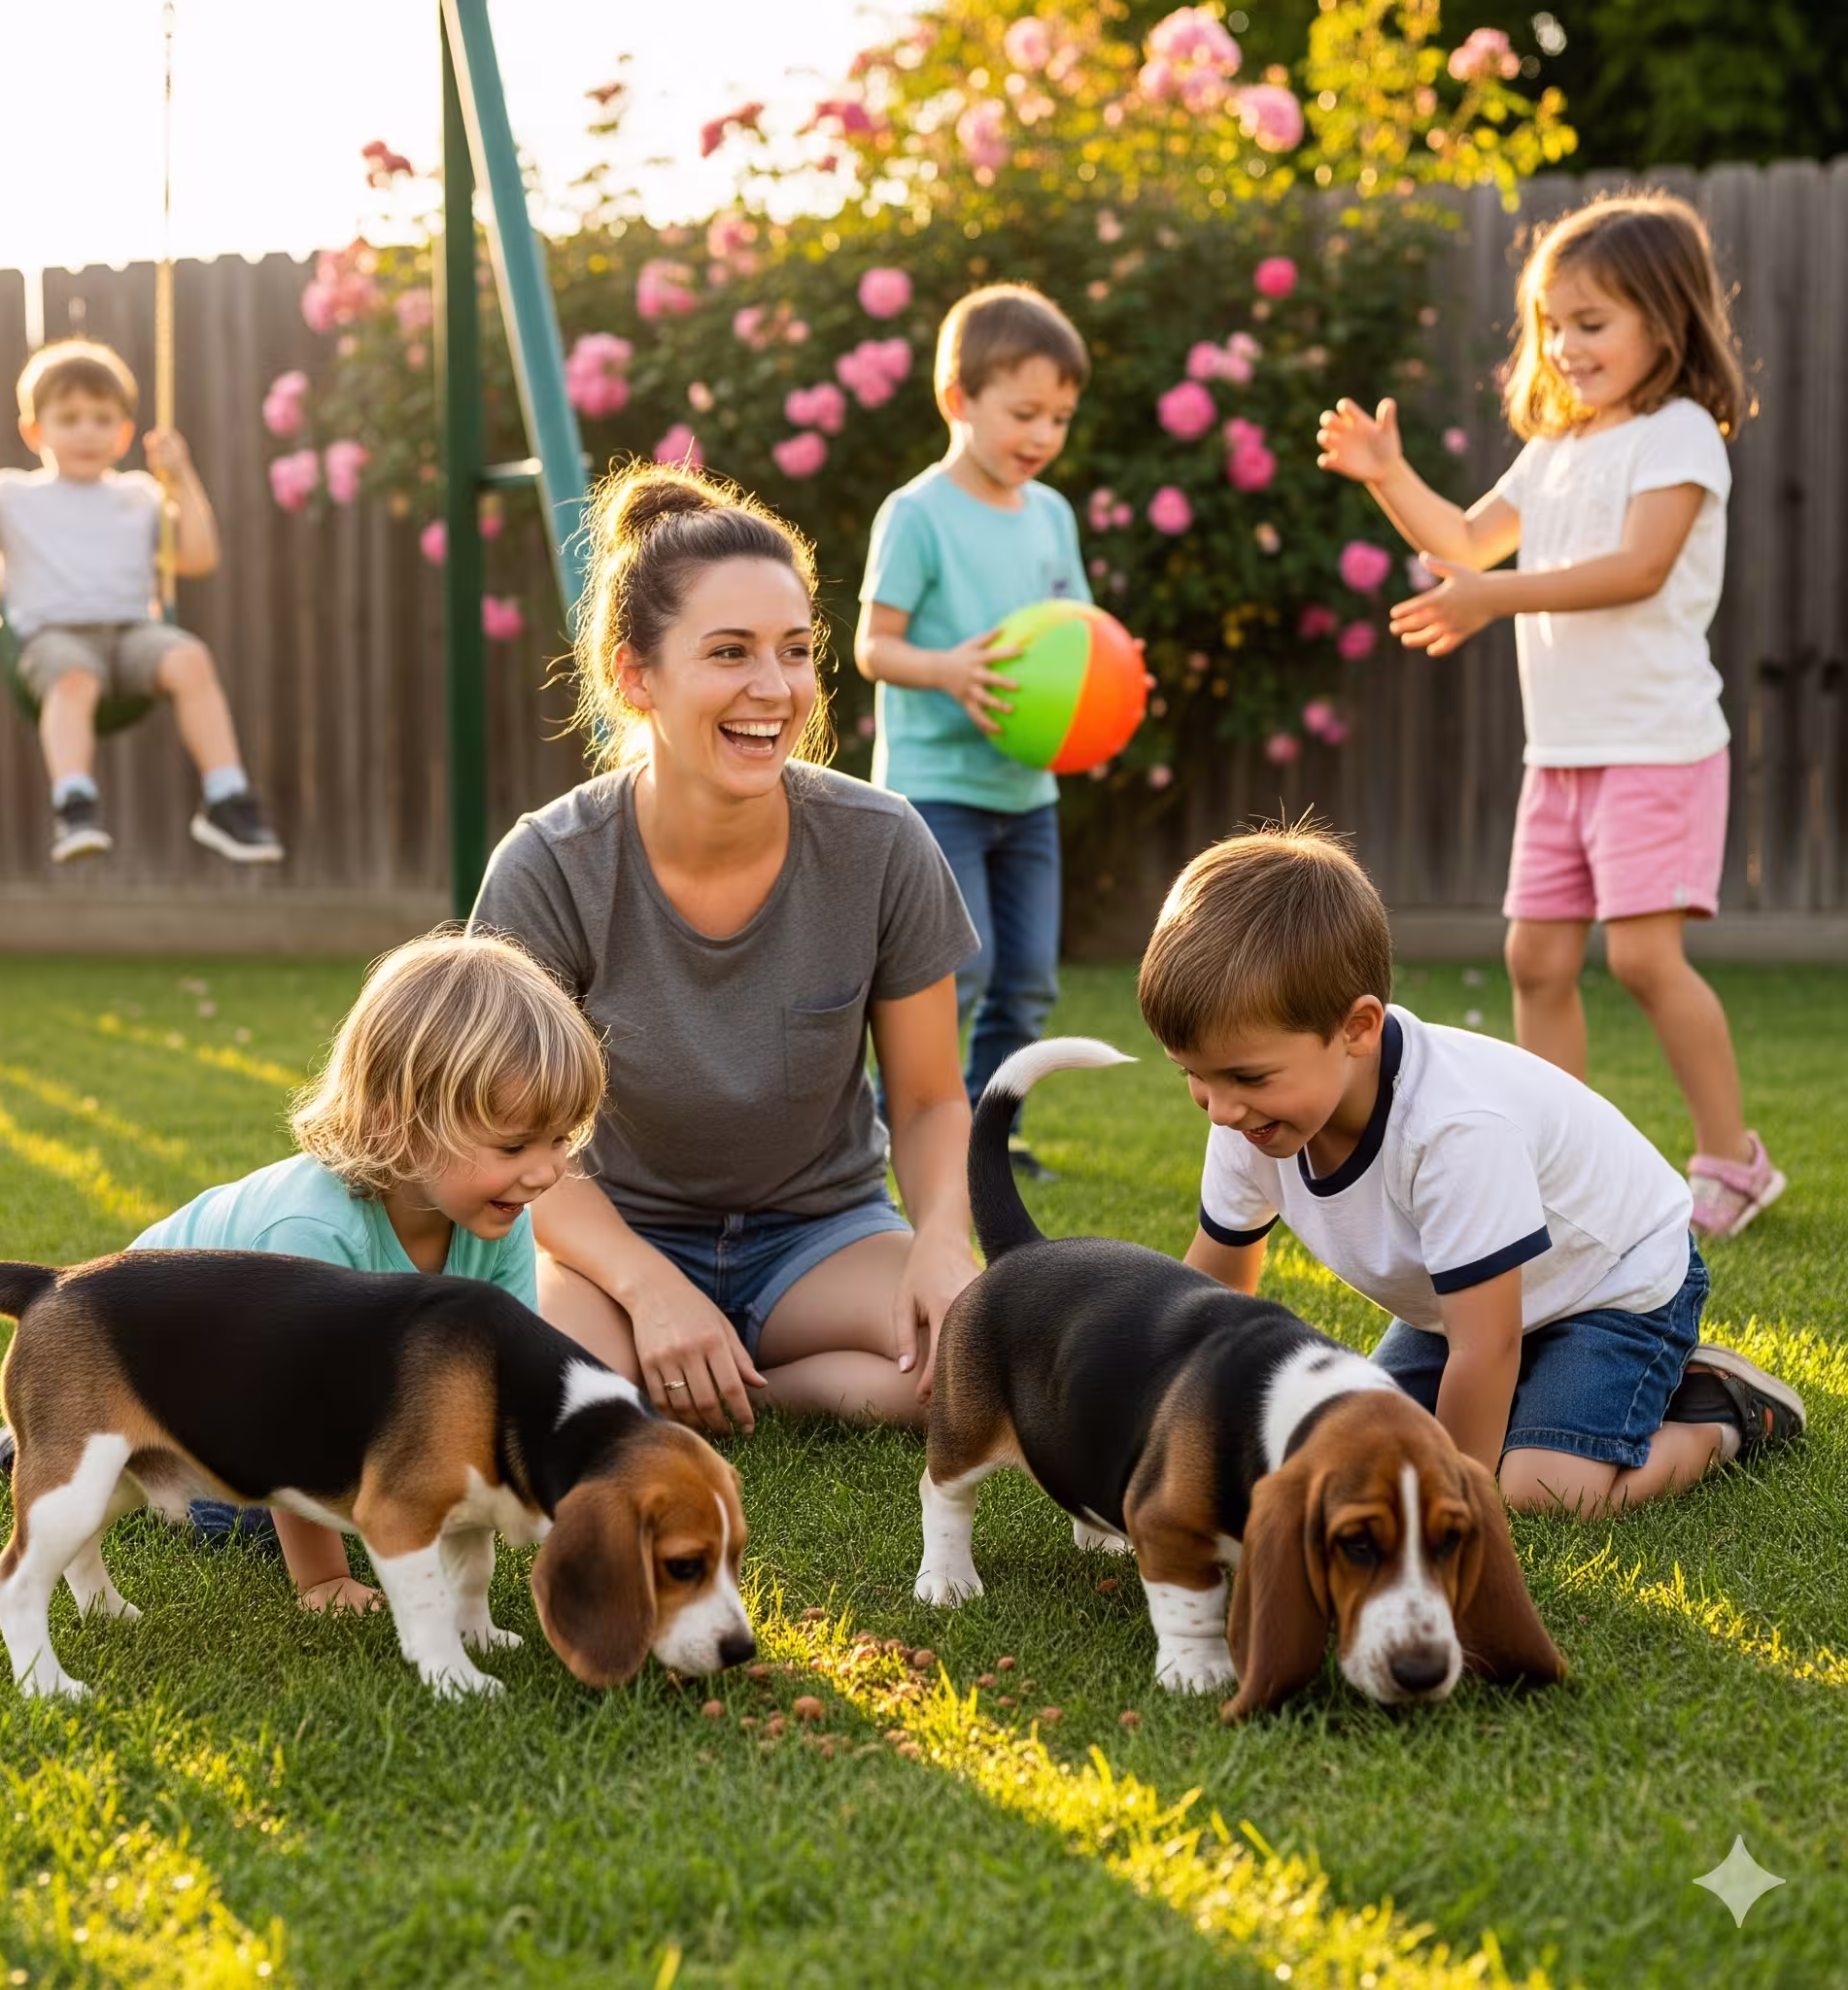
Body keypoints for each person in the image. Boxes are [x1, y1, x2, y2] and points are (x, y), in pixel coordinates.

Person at [471, 460, 980, 1434]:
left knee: (970, 1364)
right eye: (730, 652)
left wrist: (940, 1246)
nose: (773, 687)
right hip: (614, 1236)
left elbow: (925, 1098)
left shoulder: (882, 842)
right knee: (545, 1393)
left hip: (819, 1236)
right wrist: (650, 1287)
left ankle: (741, 1385)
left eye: (793, 650)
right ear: (635, 675)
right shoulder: (549, 864)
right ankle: (676, 1369)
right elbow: (513, 1143)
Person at [1317, 191, 1779, 1240]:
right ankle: (1556, 1153)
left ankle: (1731, 1160)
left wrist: (1491, 598)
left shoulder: (1677, 437)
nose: (1563, 346)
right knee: (1532, 958)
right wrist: (1390, 478)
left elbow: (1635, 568)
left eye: (1590, 322)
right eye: (1550, 325)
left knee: (1642, 958)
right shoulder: (1554, 449)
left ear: (1663, 323)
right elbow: (1466, 541)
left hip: (1655, 746)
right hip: (1561, 753)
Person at [1144, 821, 1804, 1519]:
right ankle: (1553, 1401)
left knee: (1535, 1490)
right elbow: (1211, 1297)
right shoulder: (1250, 1116)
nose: (1218, 1108)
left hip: (1612, 1285)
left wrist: (1445, 1508)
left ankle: (1718, 1413)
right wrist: (1164, 1437)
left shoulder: (1452, 1131)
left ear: (1357, 1029)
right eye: (1194, 1075)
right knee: (1358, 1449)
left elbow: (1485, 1350)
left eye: (1246, 1075)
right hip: (1465, 1306)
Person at [0, 928, 604, 1613]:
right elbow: (296, 1430)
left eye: (560, 1139)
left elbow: (504, 1390)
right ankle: (37, 1449)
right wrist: (324, 1578)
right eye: (515, 1144)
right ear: (393, 1125)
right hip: (147, 1393)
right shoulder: (311, 1231)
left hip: (267, 1395)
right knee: (256, 1513)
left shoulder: (499, 1215)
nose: (547, 1171)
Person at [853, 283, 1092, 1179]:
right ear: (959, 400)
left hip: (1026, 788)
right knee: (959, 969)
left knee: (1028, 973)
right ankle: (901, 1124)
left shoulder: (1053, 515)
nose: (1042, 436)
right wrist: (949, 669)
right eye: (1025, 412)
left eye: (1060, 418)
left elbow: (1078, 631)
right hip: (935, 786)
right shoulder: (917, 514)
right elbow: (873, 645)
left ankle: (993, 1134)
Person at [0, 338, 284, 867]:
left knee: (190, 658)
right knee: (74, 677)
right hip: (51, 639)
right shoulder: (10, 494)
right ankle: (75, 805)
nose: (87, 430)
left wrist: (182, 477)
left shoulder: (140, 493)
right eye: (68, 418)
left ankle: (226, 799)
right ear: (33, 431)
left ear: (124, 433)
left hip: (134, 635)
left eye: (102, 418)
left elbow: (198, 557)